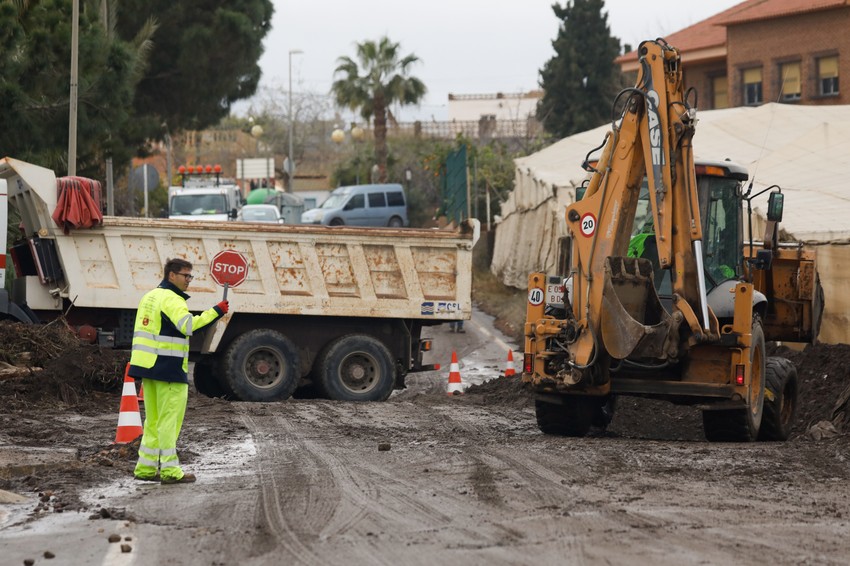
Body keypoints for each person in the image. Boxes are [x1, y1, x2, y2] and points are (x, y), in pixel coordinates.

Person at [130, 258, 229, 485]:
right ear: (171, 275)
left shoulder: (150, 296)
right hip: (168, 369)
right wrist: (215, 311)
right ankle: (170, 471)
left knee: (153, 421)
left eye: (190, 276)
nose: (189, 281)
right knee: (169, 421)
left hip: (148, 367)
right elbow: (189, 326)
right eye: (186, 276)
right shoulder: (172, 299)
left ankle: (145, 469)